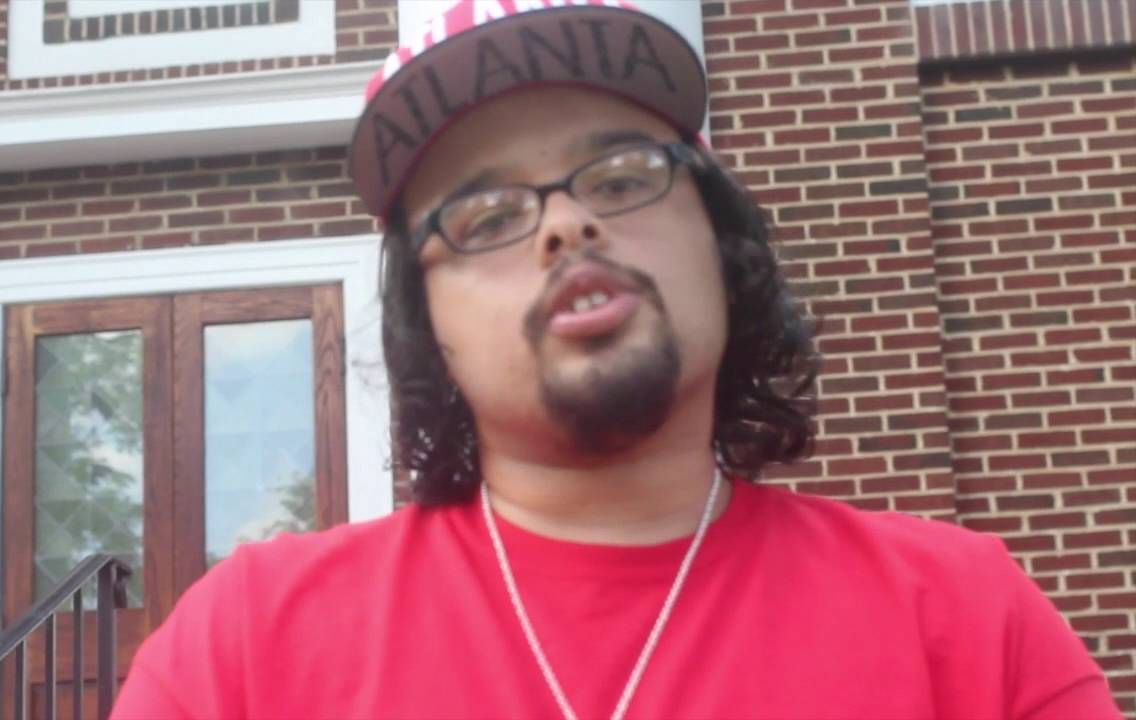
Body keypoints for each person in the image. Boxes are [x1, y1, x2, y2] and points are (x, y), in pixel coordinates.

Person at [111, 1, 1121, 717]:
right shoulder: (246, 649)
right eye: (486, 215)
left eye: (623, 175)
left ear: (721, 248)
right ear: (425, 324)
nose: (567, 227)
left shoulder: (964, 619)